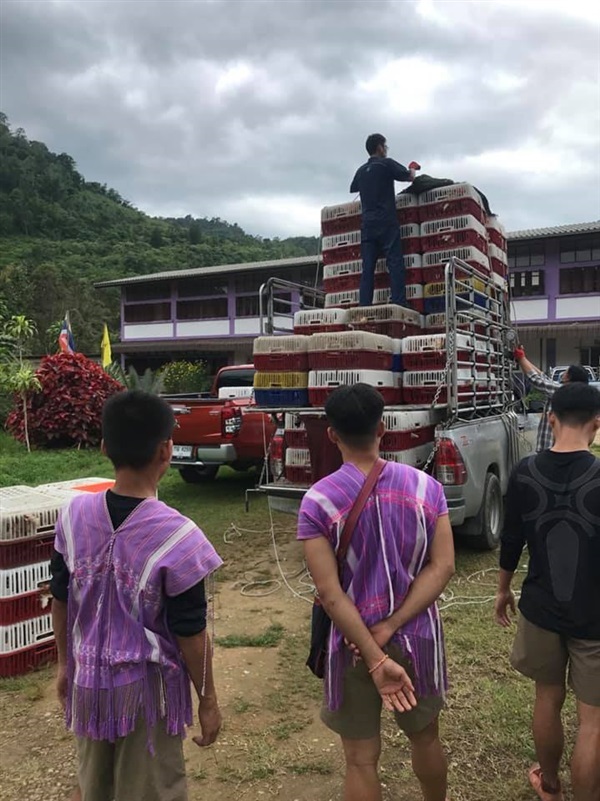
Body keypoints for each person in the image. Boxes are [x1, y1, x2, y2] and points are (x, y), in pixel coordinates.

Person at [50, 390, 223, 801]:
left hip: (88, 686)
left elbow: (61, 598)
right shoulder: (180, 537)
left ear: (105, 446)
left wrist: (64, 665)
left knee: (95, 790)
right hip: (147, 699)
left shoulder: (72, 518)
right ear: (167, 450)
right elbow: (190, 631)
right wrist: (208, 699)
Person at [297, 384, 455, 801]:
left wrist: (372, 649)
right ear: (382, 428)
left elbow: (330, 594)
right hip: (418, 637)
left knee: (361, 760)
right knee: (425, 739)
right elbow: (443, 567)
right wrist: (393, 625)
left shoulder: (318, 501)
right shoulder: (426, 489)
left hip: (352, 644)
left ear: (331, 434)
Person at [495, 382, 600, 801]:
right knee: (591, 721)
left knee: (547, 697)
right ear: (597, 422)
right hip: (595, 615)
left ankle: (551, 785)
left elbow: (511, 539)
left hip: (540, 607)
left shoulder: (524, 472)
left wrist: (503, 590)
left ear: (550, 418)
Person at [350, 133, 417, 307]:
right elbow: (409, 177)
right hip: (386, 221)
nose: (386, 149)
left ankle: (364, 305)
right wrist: (412, 168)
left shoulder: (361, 171)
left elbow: (353, 188)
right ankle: (399, 301)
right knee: (394, 262)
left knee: (368, 268)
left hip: (367, 225)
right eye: (385, 146)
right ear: (380, 147)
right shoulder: (386, 164)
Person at [513, 346, 590, 451]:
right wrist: (523, 358)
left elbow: (536, 380)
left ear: (569, 377)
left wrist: (521, 358)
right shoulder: (573, 392)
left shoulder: (562, 391)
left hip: (551, 448)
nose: (563, 374)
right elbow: (543, 377)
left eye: (565, 372)